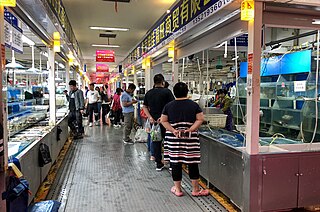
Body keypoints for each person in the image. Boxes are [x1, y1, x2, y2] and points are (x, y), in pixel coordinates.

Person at [160, 82, 209, 197]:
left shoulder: (168, 106)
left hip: (174, 139)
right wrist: (191, 129)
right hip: (190, 140)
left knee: (175, 164)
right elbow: (200, 119)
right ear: (187, 92)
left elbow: (163, 120)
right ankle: (195, 190)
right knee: (192, 163)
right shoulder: (194, 105)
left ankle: (178, 189)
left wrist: (173, 130)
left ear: (174, 93)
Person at [143, 74, 175, 171]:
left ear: (154, 82)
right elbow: (172, 105)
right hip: (166, 122)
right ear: (163, 82)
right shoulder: (167, 92)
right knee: (169, 142)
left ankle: (158, 163)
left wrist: (150, 117)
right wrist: (163, 117)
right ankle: (171, 163)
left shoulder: (149, 93)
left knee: (156, 141)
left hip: (154, 123)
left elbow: (144, 107)